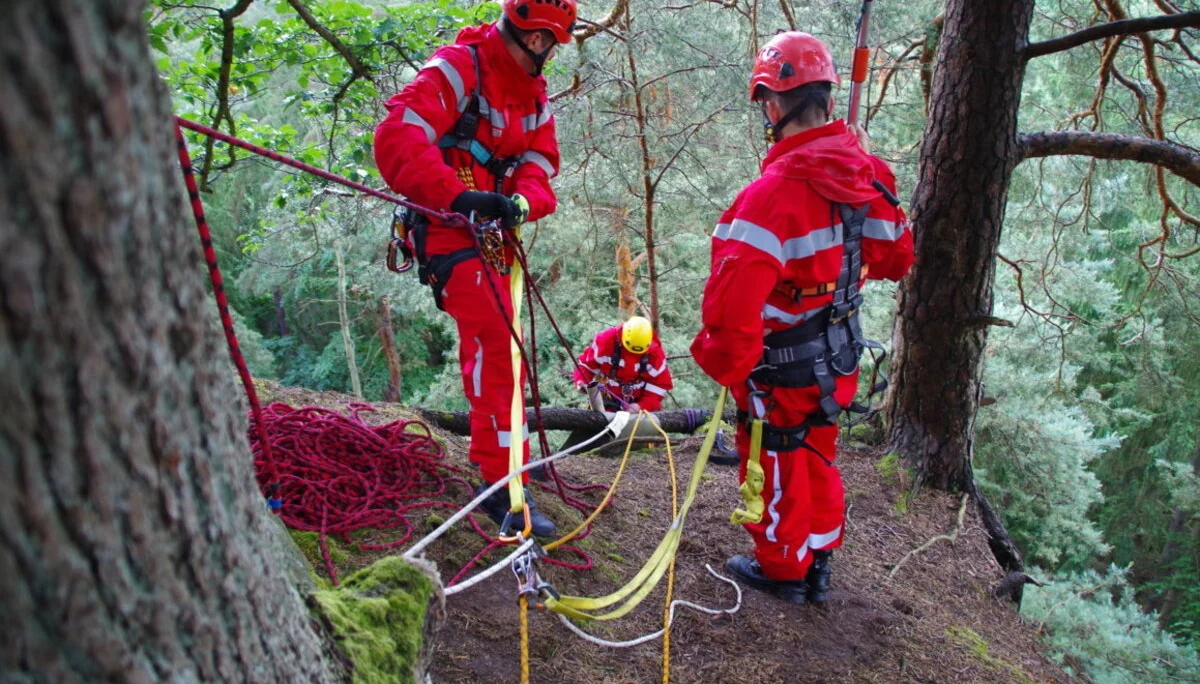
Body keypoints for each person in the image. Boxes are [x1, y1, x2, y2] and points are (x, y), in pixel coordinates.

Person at [690, 31, 914, 604]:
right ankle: (818, 558)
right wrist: (869, 171)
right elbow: (896, 256)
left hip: (781, 362)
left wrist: (729, 365)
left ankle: (784, 568)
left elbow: (730, 303)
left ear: (772, 102)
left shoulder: (770, 196)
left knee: (776, 454)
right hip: (838, 354)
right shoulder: (867, 179)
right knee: (817, 452)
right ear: (828, 100)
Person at [374, 0, 578, 538]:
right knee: (494, 337)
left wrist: (522, 203)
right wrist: (457, 197)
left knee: (506, 342)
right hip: (446, 223)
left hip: (493, 231)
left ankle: (510, 472)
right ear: (525, 32)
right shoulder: (457, 69)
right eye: (540, 42)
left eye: (550, 45)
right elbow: (396, 138)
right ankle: (502, 484)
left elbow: (540, 160)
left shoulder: (533, 95)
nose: (544, 53)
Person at [573, 317, 674, 413]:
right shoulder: (606, 341)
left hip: (639, 406)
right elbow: (586, 365)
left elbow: (660, 385)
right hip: (608, 401)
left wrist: (641, 406)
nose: (634, 354)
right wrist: (582, 382)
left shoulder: (654, 353)